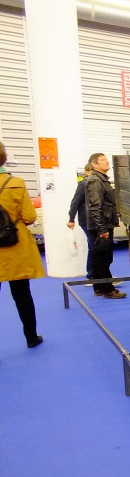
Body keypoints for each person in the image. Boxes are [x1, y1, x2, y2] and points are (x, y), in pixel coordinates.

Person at [0, 141, 44, 348]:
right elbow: (29, 216)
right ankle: (31, 337)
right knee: (22, 295)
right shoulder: (15, 183)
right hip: (14, 246)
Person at [85, 152, 126, 299]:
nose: (107, 162)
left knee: (100, 258)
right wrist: (102, 229)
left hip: (104, 224)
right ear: (94, 164)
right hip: (101, 226)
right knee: (103, 258)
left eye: (106, 159)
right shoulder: (96, 181)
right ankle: (107, 289)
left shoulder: (101, 180)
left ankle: (100, 288)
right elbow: (95, 206)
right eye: (102, 160)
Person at [67, 163, 93, 279]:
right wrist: (71, 219)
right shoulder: (83, 185)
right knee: (93, 247)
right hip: (86, 220)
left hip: (94, 220)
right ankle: (91, 275)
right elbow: (75, 202)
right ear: (87, 172)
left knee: (95, 247)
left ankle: (96, 274)